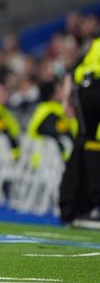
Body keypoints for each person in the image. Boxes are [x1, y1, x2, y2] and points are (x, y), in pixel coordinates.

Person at [59, 34, 100, 225]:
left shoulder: (94, 46)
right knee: (91, 145)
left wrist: (67, 99)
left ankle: (82, 203)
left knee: (88, 143)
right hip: (92, 91)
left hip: (87, 92)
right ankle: (90, 202)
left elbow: (73, 73)